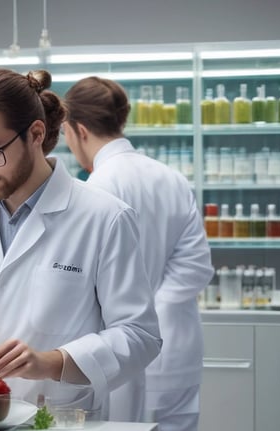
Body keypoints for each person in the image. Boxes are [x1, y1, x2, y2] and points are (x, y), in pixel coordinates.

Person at [0, 68, 161, 416]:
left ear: (36, 134)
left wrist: (52, 362)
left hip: (57, 416)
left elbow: (139, 335)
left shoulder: (104, 217)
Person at [63, 76, 213, 431]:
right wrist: (157, 310)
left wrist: (137, 318)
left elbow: (83, 281)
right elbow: (196, 266)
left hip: (122, 353)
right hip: (178, 344)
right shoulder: (170, 177)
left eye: (65, 135)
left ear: (79, 130)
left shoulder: (96, 186)